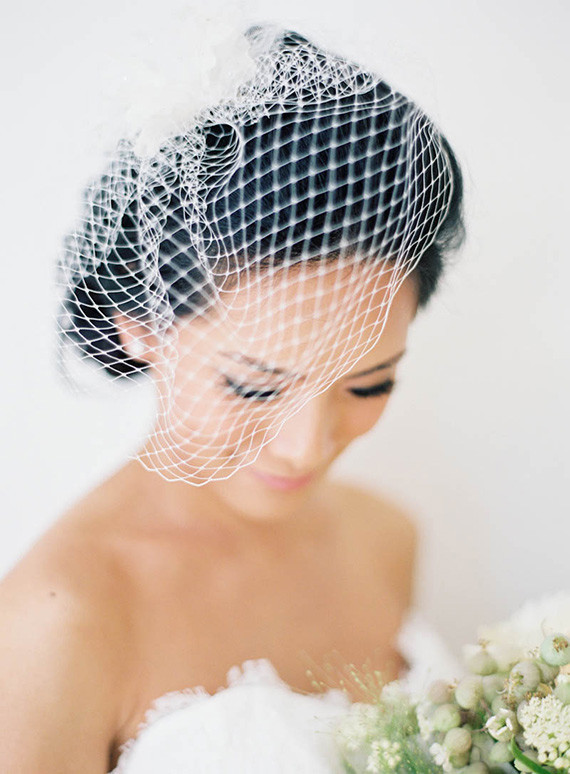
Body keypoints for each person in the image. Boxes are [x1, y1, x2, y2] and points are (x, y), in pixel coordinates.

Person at [0, 25, 464, 773]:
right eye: (254, 385)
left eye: (369, 383)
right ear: (140, 326)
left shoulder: (389, 538)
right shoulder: (58, 621)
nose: (306, 446)